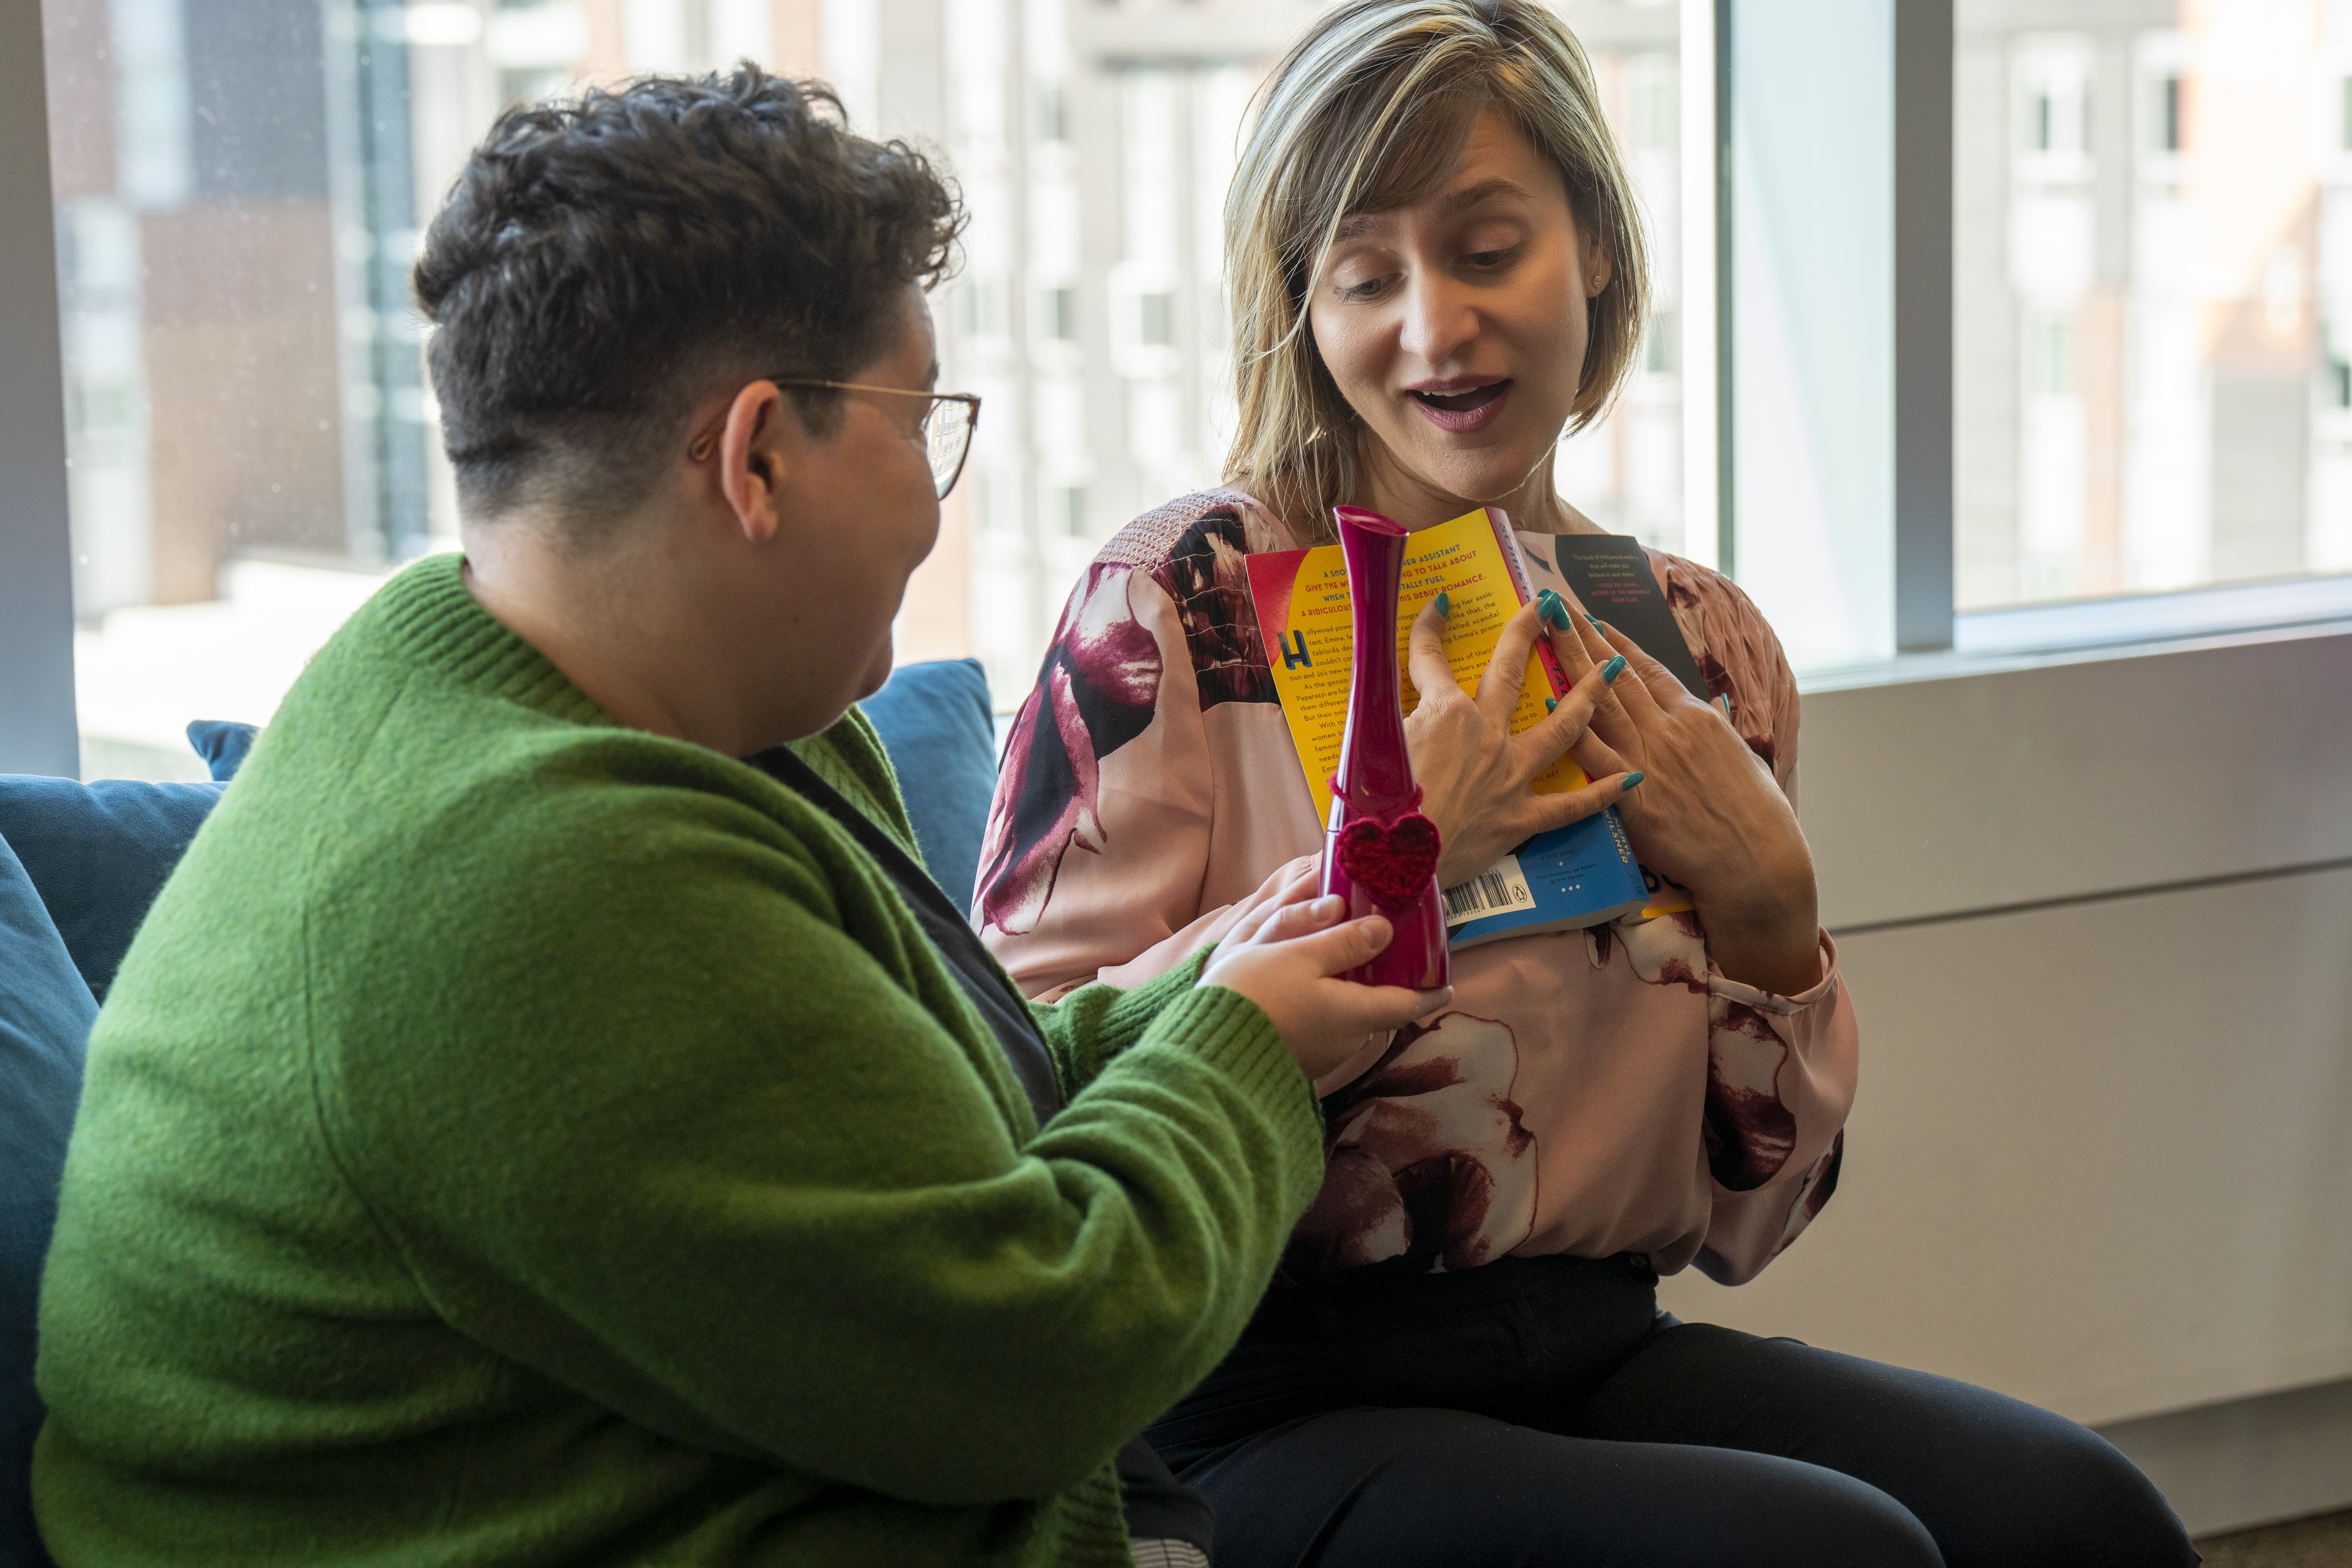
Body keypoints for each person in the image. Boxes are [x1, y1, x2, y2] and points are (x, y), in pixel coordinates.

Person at [30, 70, 1450, 1568]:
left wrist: (1195, 1009)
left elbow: (891, 1128)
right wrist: (1241, 1060)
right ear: (757, 455)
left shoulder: (625, 708)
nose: (931, 503)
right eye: (919, 423)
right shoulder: (539, 879)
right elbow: (1035, 1355)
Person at [977, 4, 2200, 1564]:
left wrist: (1775, 921)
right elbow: (1014, 1096)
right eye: (1364, 277)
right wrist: (1390, 865)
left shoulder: (1690, 637)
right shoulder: (1183, 604)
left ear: (1597, 251)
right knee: (1826, 1556)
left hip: (1598, 1343)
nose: (1433, 328)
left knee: (2080, 1521)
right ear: (1303, 306)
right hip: (1251, 1400)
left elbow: (1749, 1221)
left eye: (1488, 250)